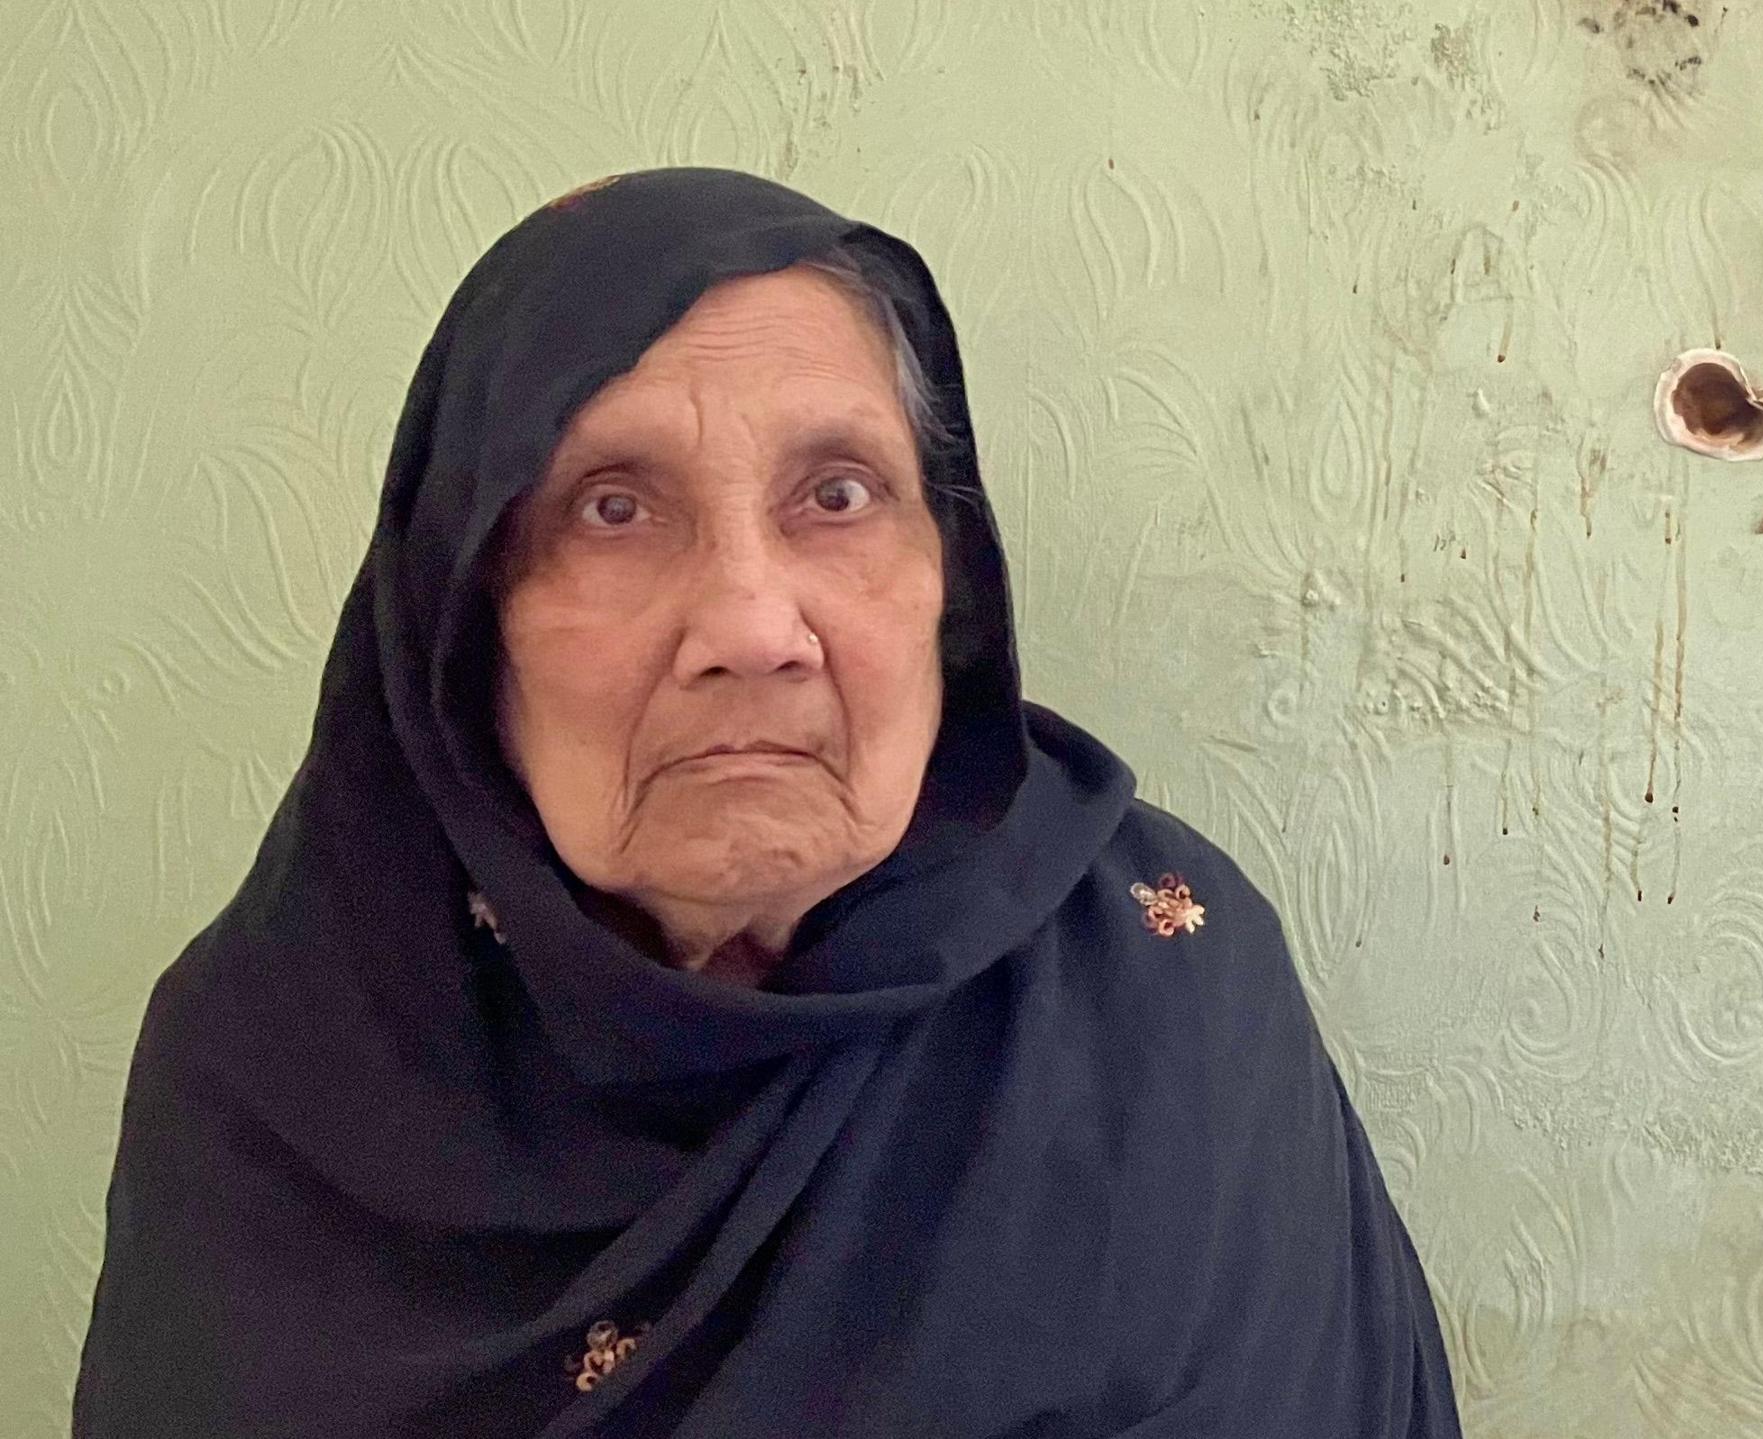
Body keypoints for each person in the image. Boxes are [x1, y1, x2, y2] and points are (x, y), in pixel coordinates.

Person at [75, 166, 1461, 1438]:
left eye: (839, 494)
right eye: (613, 508)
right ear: (462, 626)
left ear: (946, 583)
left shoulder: (1155, 983)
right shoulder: (287, 1061)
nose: (750, 623)